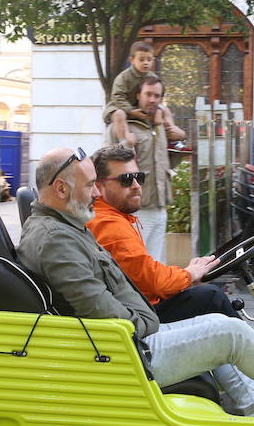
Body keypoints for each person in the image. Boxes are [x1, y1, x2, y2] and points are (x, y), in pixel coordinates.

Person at [16, 146, 254, 417]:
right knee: (229, 332)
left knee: (218, 321)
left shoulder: (64, 227)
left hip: (125, 342)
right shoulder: (56, 239)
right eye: (90, 185)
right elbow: (104, 314)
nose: (96, 193)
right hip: (128, 353)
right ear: (61, 188)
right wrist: (146, 320)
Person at [87, 145, 238, 324]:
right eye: (126, 180)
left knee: (205, 296)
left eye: (139, 177)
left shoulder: (108, 217)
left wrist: (186, 275)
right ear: (99, 186)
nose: (136, 186)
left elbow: (146, 272)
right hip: (140, 316)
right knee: (211, 297)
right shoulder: (110, 225)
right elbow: (154, 283)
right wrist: (189, 275)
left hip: (133, 308)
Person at [109, 74, 184, 263]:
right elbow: (108, 163)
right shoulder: (124, 124)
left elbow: (165, 162)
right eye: (148, 94)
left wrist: (181, 143)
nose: (152, 99)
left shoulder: (159, 126)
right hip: (136, 209)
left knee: (157, 262)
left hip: (159, 206)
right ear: (138, 95)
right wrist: (126, 143)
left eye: (157, 96)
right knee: (136, 263)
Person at [102, 41, 157, 147]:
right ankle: (124, 141)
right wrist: (131, 110)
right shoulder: (124, 77)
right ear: (131, 60)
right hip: (121, 107)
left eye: (149, 60)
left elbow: (158, 93)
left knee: (163, 111)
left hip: (140, 110)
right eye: (141, 59)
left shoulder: (153, 78)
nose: (146, 63)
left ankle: (171, 137)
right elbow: (117, 96)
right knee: (119, 114)